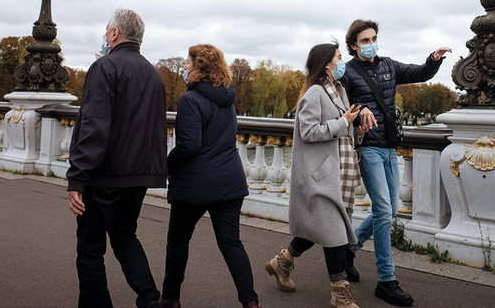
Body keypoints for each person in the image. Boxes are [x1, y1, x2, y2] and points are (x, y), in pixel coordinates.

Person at [340, 19, 451, 307]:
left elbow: (420, 73)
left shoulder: (388, 65)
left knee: (387, 212)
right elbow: (342, 107)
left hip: (390, 145)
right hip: (368, 147)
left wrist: (433, 60)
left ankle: (350, 248)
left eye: (374, 38)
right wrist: (361, 108)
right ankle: (386, 281)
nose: (371, 44)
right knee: (384, 208)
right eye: (365, 40)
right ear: (353, 45)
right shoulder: (348, 73)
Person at [66, 9, 167, 308]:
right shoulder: (153, 74)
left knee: (90, 250)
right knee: (125, 238)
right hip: (137, 176)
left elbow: (94, 126)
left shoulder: (104, 67)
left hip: (103, 175)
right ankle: (150, 301)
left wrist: (77, 177)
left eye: (106, 30)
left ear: (114, 34)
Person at [265, 42, 366, 308]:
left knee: (318, 228)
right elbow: (309, 132)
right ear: (326, 64)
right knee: (334, 234)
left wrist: (355, 127)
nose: (343, 62)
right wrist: (343, 122)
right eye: (339, 58)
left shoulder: (338, 90)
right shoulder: (314, 94)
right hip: (319, 176)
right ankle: (339, 293)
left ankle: (282, 262)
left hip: (336, 171)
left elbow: (340, 128)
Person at [160, 44, 260, 308]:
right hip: (229, 181)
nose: (184, 66)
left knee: (179, 239)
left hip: (195, 184)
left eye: (188, 62)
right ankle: (250, 302)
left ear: (198, 67)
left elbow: (189, 146)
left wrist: (165, 164)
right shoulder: (227, 99)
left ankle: (170, 298)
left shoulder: (190, 100)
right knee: (231, 243)